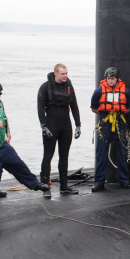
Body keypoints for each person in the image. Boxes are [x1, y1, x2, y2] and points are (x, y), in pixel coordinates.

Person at [0, 84, 50, 217]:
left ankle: (35, 185)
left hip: (2, 146)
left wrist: (5, 136)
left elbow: (4, 123)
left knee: (19, 165)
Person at [37, 63, 82, 195]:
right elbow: (40, 108)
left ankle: (64, 186)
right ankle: (45, 187)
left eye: (66, 73)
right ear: (56, 73)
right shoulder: (45, 87)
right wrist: (43, 126)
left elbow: (74, 105)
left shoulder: (68, 86)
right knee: (48, 156)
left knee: (64, 156)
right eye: (63, 73)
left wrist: (78, 125)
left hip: (65, 125)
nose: (65, 76)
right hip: (51, 125)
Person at [90, 66, 130, 191]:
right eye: (108, 79)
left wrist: (117, 112)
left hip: (120, 124)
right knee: (101, 153)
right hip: (105, 125)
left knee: (122, 153)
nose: (110, 81)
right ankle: (99, 182)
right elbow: (94, 108)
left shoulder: (126, 92)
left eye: (112, 79)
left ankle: (124, 180)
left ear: (117, 79)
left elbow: (128, 108)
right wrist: (106, 113)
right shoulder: (98, 92)